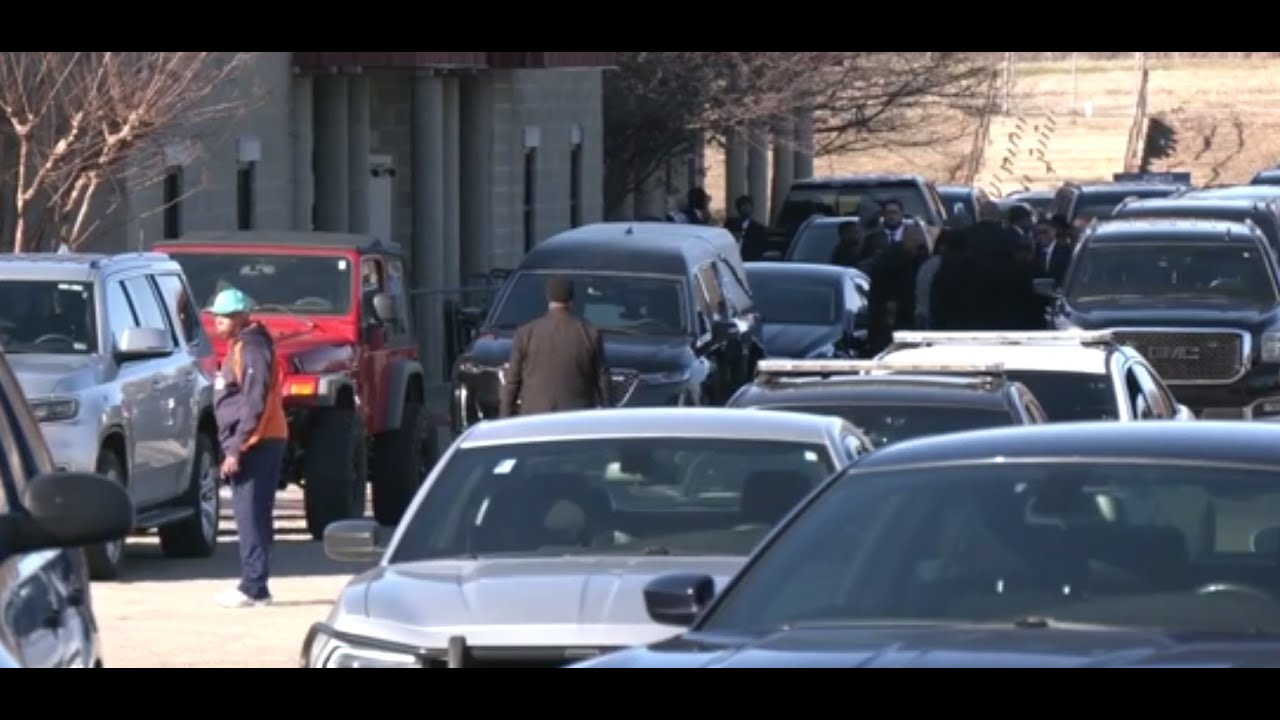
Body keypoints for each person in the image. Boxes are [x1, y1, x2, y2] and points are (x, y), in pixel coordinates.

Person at [210, 288, 288, 609]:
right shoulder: (244, 345)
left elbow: (255, 401)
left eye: (226, 316)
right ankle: (257, 583)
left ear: (242, 317)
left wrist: (236, 449)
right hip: (260, 439)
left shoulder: (252, 348)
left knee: (250, 515)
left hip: (258, 441)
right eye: (216, 315)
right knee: (255, 513)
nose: (218, 321)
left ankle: (253, 586)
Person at [499, 276, 611, 418]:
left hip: (534, 416)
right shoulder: (589, 334)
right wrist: (608, 413)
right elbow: (602, 379)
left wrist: (504, 417)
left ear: (548, 298)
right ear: (571, 299)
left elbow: (512, 382)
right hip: (577, 417)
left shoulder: (526, 333)